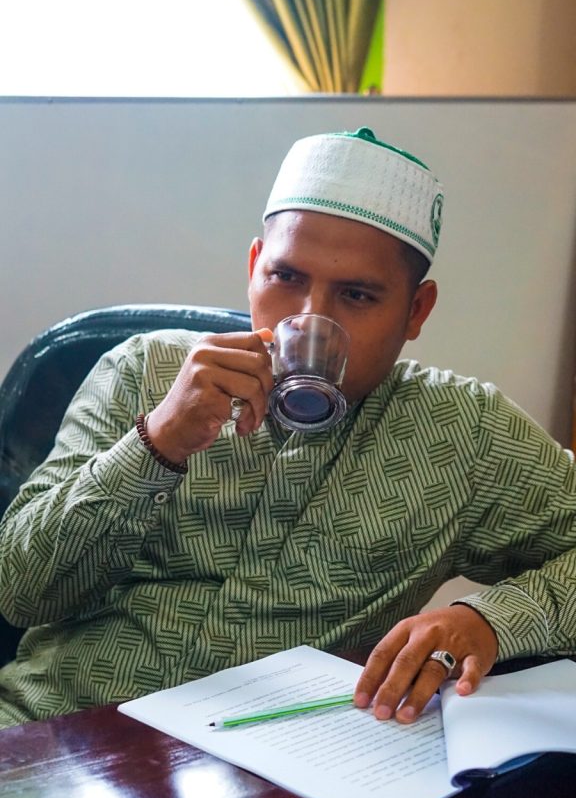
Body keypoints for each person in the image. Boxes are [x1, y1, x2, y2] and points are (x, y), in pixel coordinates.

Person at [0, 126, 575, 731]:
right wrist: (156, 443)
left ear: (416, 311)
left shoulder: (462, 432)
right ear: (255, 267)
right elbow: (18, 591)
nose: (309, 317)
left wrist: (488, 621)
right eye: (287, 278)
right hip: (55, 732)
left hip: (281, 766)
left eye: (357, 295)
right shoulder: (142, 371)